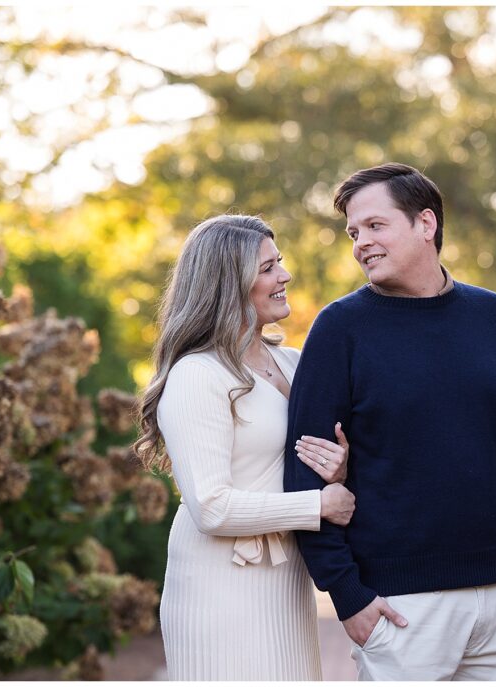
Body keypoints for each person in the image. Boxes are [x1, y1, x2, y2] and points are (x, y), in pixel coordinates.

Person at [284, 163, 496, 681]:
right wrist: (347, 595)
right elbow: (303, 474)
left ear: (426, 224)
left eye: (376, 226)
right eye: (354, 232)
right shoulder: (340, 330)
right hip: (400, 607)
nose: (360, 243)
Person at [134, 214, 354, 680]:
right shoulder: (197, 376)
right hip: (219, 583)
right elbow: (211, 508)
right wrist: (319, 505)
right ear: (228, 283)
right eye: (268, 268)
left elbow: (309, 461)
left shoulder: (293, 362)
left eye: (281, 263)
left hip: (287, 574)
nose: (284, 276)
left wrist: (338, 467)